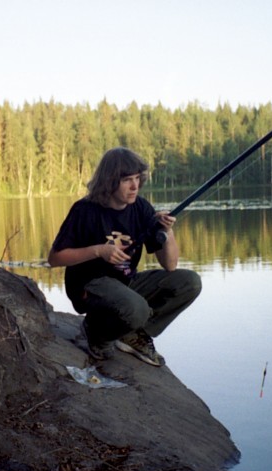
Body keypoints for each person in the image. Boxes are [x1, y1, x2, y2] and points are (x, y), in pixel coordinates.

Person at [48, 147, 202, 366]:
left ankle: (133, 333)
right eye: (127, 180)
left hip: (126, 283)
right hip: (89, 285)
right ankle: (97, 335)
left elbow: (170, 264)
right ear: (110, 181)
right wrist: (99, 250)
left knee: (189, 282)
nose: (134, 186)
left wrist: (167, 232)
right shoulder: (85, 210)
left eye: (137, 178)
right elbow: (55, 258)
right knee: (136, 308)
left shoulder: (140, 207)